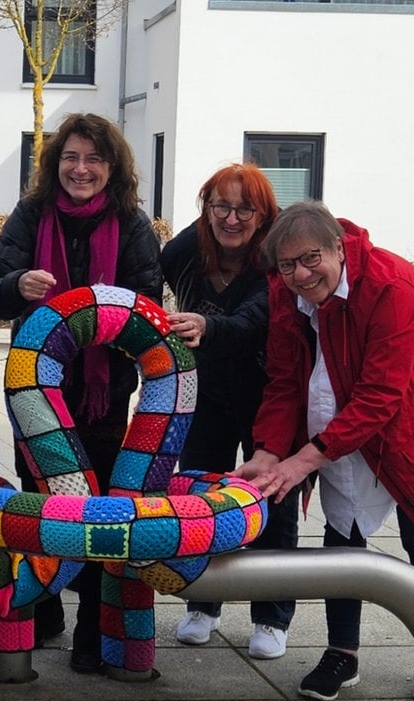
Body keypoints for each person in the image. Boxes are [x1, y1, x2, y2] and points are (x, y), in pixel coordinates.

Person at [0, 112, 162, 674]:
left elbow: (148, 302)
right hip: (37, 393)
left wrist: (113, 308)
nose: (80, 169)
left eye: (93, 159)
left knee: (100, 506)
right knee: (44, 498)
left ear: (112, 168)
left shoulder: (131, 224)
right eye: (70, 158)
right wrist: (18, 285)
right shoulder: (31, 215)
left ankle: (91, 627)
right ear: (54, 163)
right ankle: (44, 608)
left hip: (101, 395)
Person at [235, 200, 414, 701]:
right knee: (343, 541)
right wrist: (271, 450)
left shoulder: (392, 285)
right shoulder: (284, 292)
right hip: (332, 434)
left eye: (310, 259)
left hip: (403, 428)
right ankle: (343, 653)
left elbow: (381, 394)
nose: (299, 274)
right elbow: (285, 379)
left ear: (338, 246)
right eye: (287, 264)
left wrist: (304, 459)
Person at [161, 164, 301, 659]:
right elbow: (143, 276)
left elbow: (252, 322)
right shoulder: (184, 249)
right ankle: (204, 603)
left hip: (271, 394)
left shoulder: (273, 260)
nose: (232, 217)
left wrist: (206, 325)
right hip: (204, 392)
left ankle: (272, 615)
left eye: (246, 208)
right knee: (201, 494)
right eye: (221, 205)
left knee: (274, 500)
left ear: (263, 215)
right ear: (207, 206)